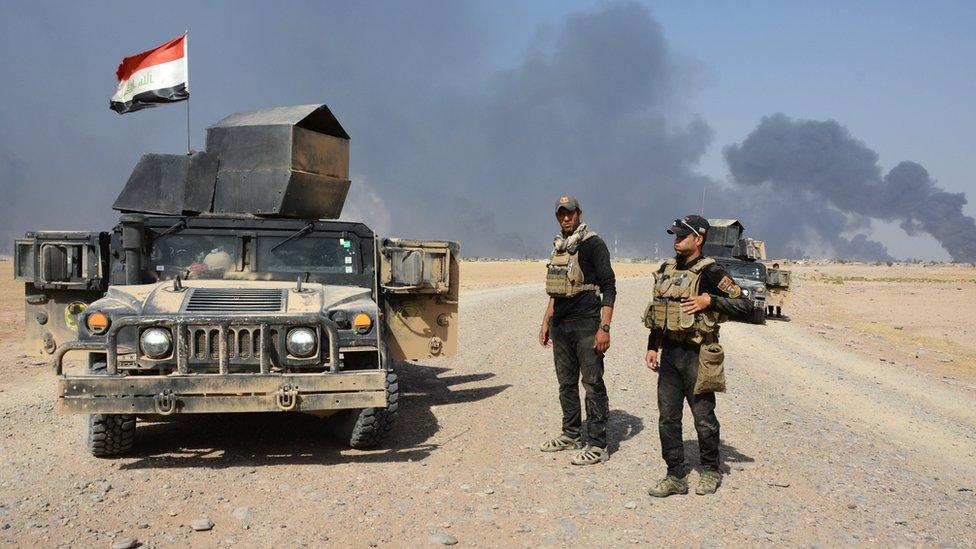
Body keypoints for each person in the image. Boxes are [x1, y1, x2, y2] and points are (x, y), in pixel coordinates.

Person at [644, 215, 754, 496]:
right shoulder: (666, 268)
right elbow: (659, 310)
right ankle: (675, 475)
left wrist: (710, 300)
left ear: (699, 239)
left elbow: (746, 304)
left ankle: (709, 469)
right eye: (675, 236)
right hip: (669, 354)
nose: (676, 240)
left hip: (697, 355)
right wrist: (652, 346)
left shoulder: (711, 271)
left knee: (703, 418)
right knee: (667, 419)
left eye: (682, 235)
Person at [538, 196, 616, 465]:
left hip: (587, 324)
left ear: (579, 213)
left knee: (593, 384)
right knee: (566, 384)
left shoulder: (594, 244)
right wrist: (546, 320)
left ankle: (597, 444)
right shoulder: (559, 248)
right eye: (561, 214)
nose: (566, 218)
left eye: (570, 213)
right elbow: (555, 290)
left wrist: (604, 327)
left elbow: (609, 287)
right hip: (561, 325)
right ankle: (571, 434)